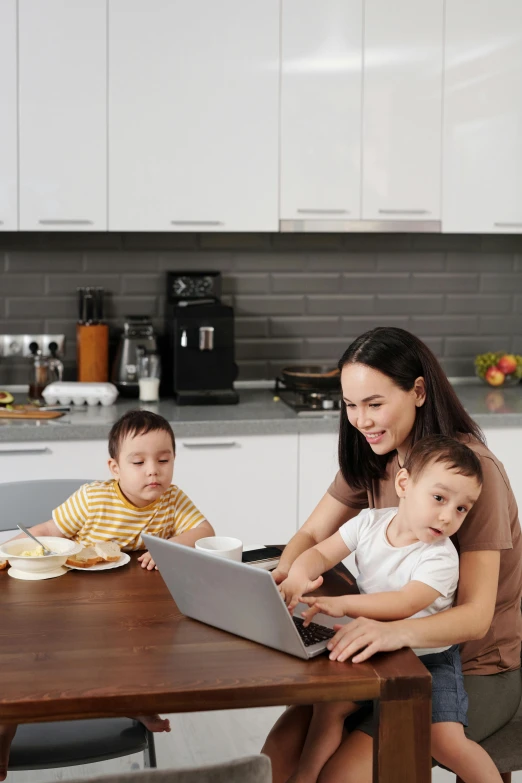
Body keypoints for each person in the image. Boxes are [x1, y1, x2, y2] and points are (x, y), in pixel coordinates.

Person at [263, 327, 522, 783]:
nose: (361, 420)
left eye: (375, 404)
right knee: (275, 760)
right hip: (378, 648)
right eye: (350, 405)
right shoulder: (375, 455)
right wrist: (290, 578)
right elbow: (309, 535)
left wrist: (392, 633)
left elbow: (476, 618)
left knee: (339, 778)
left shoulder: (467, 475)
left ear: (418, 391)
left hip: (466, 665)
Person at [0, 409, 215, 780]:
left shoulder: (173, 500)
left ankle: (138, 705)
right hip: (78, 611)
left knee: (148, 657)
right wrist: (7, 551)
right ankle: (5, 732)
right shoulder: (93, 499)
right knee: (29, 667)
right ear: (115, 467)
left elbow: (204, 529)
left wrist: (169, 548)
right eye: (139, 461)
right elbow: (49, 529)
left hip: (136, 612)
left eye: (164, 460)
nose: (153, 470)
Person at [281, 435, 503, 783]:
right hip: (373, 647)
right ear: (404, 484)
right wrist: (297, 574)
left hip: (429, 661)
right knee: (328, 707)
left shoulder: (440, 556)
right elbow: (321, 553)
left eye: (461, 508)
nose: (447, 516)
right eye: (439, 498)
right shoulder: (369, 523)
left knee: (446, 741)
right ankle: (305, 777)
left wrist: (341, 605)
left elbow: (405, 603)